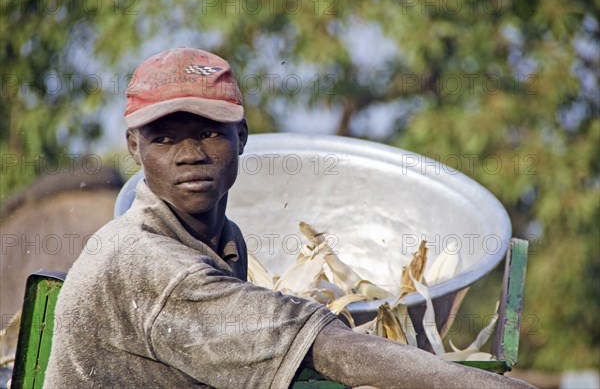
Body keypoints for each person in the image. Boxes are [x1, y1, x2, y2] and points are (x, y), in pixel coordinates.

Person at [45, 48, 534, 388]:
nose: (190, 154)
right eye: (165, 139)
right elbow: (328, 347)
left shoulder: (223, 240)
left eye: (209, 133)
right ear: (134, 148)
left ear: (242, 137)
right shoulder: (146, 260)